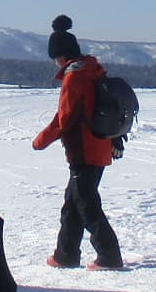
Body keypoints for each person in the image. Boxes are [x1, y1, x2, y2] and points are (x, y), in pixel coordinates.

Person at [30, 16, 124, 270]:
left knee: (86, 204)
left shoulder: (75, 78)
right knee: (73, 201)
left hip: (85, 150)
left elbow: (65, 118)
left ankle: (109, 255)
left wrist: (40, 141)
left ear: (59, 56)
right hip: (100, 145)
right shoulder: (92, 70)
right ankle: (65, 254)